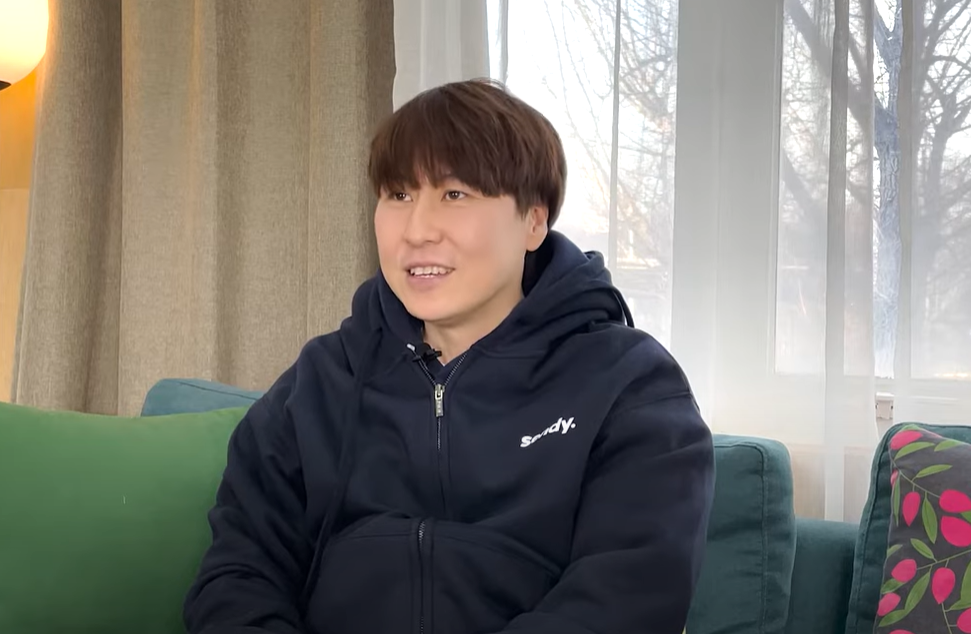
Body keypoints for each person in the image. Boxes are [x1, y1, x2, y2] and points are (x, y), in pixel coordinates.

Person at [183, 78, 715, 634]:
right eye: (398, 195)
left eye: (455, 194)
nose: (417, 231)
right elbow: (238, 575)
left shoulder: (629, 384)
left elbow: (627, 598)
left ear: (534, 220)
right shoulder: (319, 380)